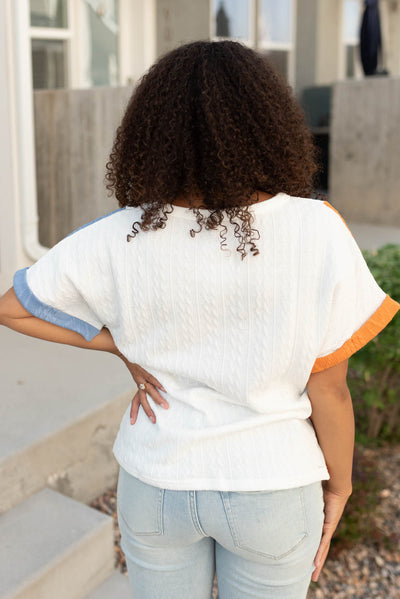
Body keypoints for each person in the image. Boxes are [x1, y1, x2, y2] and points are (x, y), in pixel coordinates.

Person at [0, 40, 398, 599]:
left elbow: (12, 308)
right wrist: (339, 486)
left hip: (157, 481)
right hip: (274, 487)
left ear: (151, 132)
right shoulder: (317, 229)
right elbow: (329, 391)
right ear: (269, 123)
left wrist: (121, 346)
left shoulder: (122, 234)